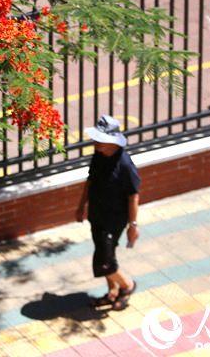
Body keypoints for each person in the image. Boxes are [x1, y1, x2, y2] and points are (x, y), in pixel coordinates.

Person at [75, 115, 141, 311]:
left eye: (100, 139)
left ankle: (127, 286)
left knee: (104, 261)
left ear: (112, 142)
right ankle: (112, 292)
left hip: (114, 219)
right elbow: (90, 182)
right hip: (97, 215)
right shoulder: (98, 156)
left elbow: (133, 196)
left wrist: (133, 225)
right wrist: (81, 206)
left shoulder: (125, 165)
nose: (96, 142)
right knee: (104, 254)